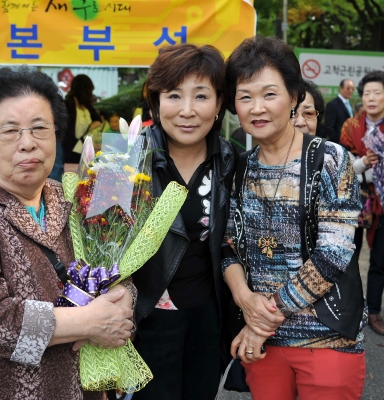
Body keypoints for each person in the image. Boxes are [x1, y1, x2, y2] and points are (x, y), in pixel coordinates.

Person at [0, 67, 135, 399]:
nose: (28, 143)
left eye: (40, 128)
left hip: (77, 387)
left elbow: (112, 264)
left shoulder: (73, 196)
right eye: (9, 131)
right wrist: (89, 322)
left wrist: (123, 298)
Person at [223, 36, 365, 399]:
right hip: (265, 346)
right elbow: (228, 248)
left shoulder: (329, 159)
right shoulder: (238, 168)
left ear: (294, 96)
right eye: (245, 96)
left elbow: (333, 253)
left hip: (326, 340)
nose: (257, 108)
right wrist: (244, 301)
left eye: (269, 94)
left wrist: (263, 320)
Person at [131, 43, 236, 399]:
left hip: (209, 316)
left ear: (220, 103)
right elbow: (100, 245)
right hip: (146, 318)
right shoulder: (125, 159)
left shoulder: (233, 162)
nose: (188, 111)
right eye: (174, 96)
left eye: (201, 96)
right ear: (156, 103)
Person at [340, 70, 384, 336]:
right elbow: (345, 164)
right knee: (349, 254)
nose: (371, 98)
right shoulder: (351, 126)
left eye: (377, 93)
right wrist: (364, 163)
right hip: (355, 197)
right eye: (366, 93)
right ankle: (350, 306)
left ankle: (375, 311)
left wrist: (372, 163)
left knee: (380, 257)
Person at [62, 74, 101, 164]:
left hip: (86, 148)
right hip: (70, 149)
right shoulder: (68, 104)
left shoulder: (87, 106)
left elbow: (98, 120)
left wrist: (88, 129)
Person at [324, 78, 355, 143]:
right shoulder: (333, 104)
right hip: (338, 143)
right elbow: (329, 126)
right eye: (348, 88)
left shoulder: (350, 105)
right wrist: (337, 141)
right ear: (341, 88)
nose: (350, 91)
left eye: (352, 89)